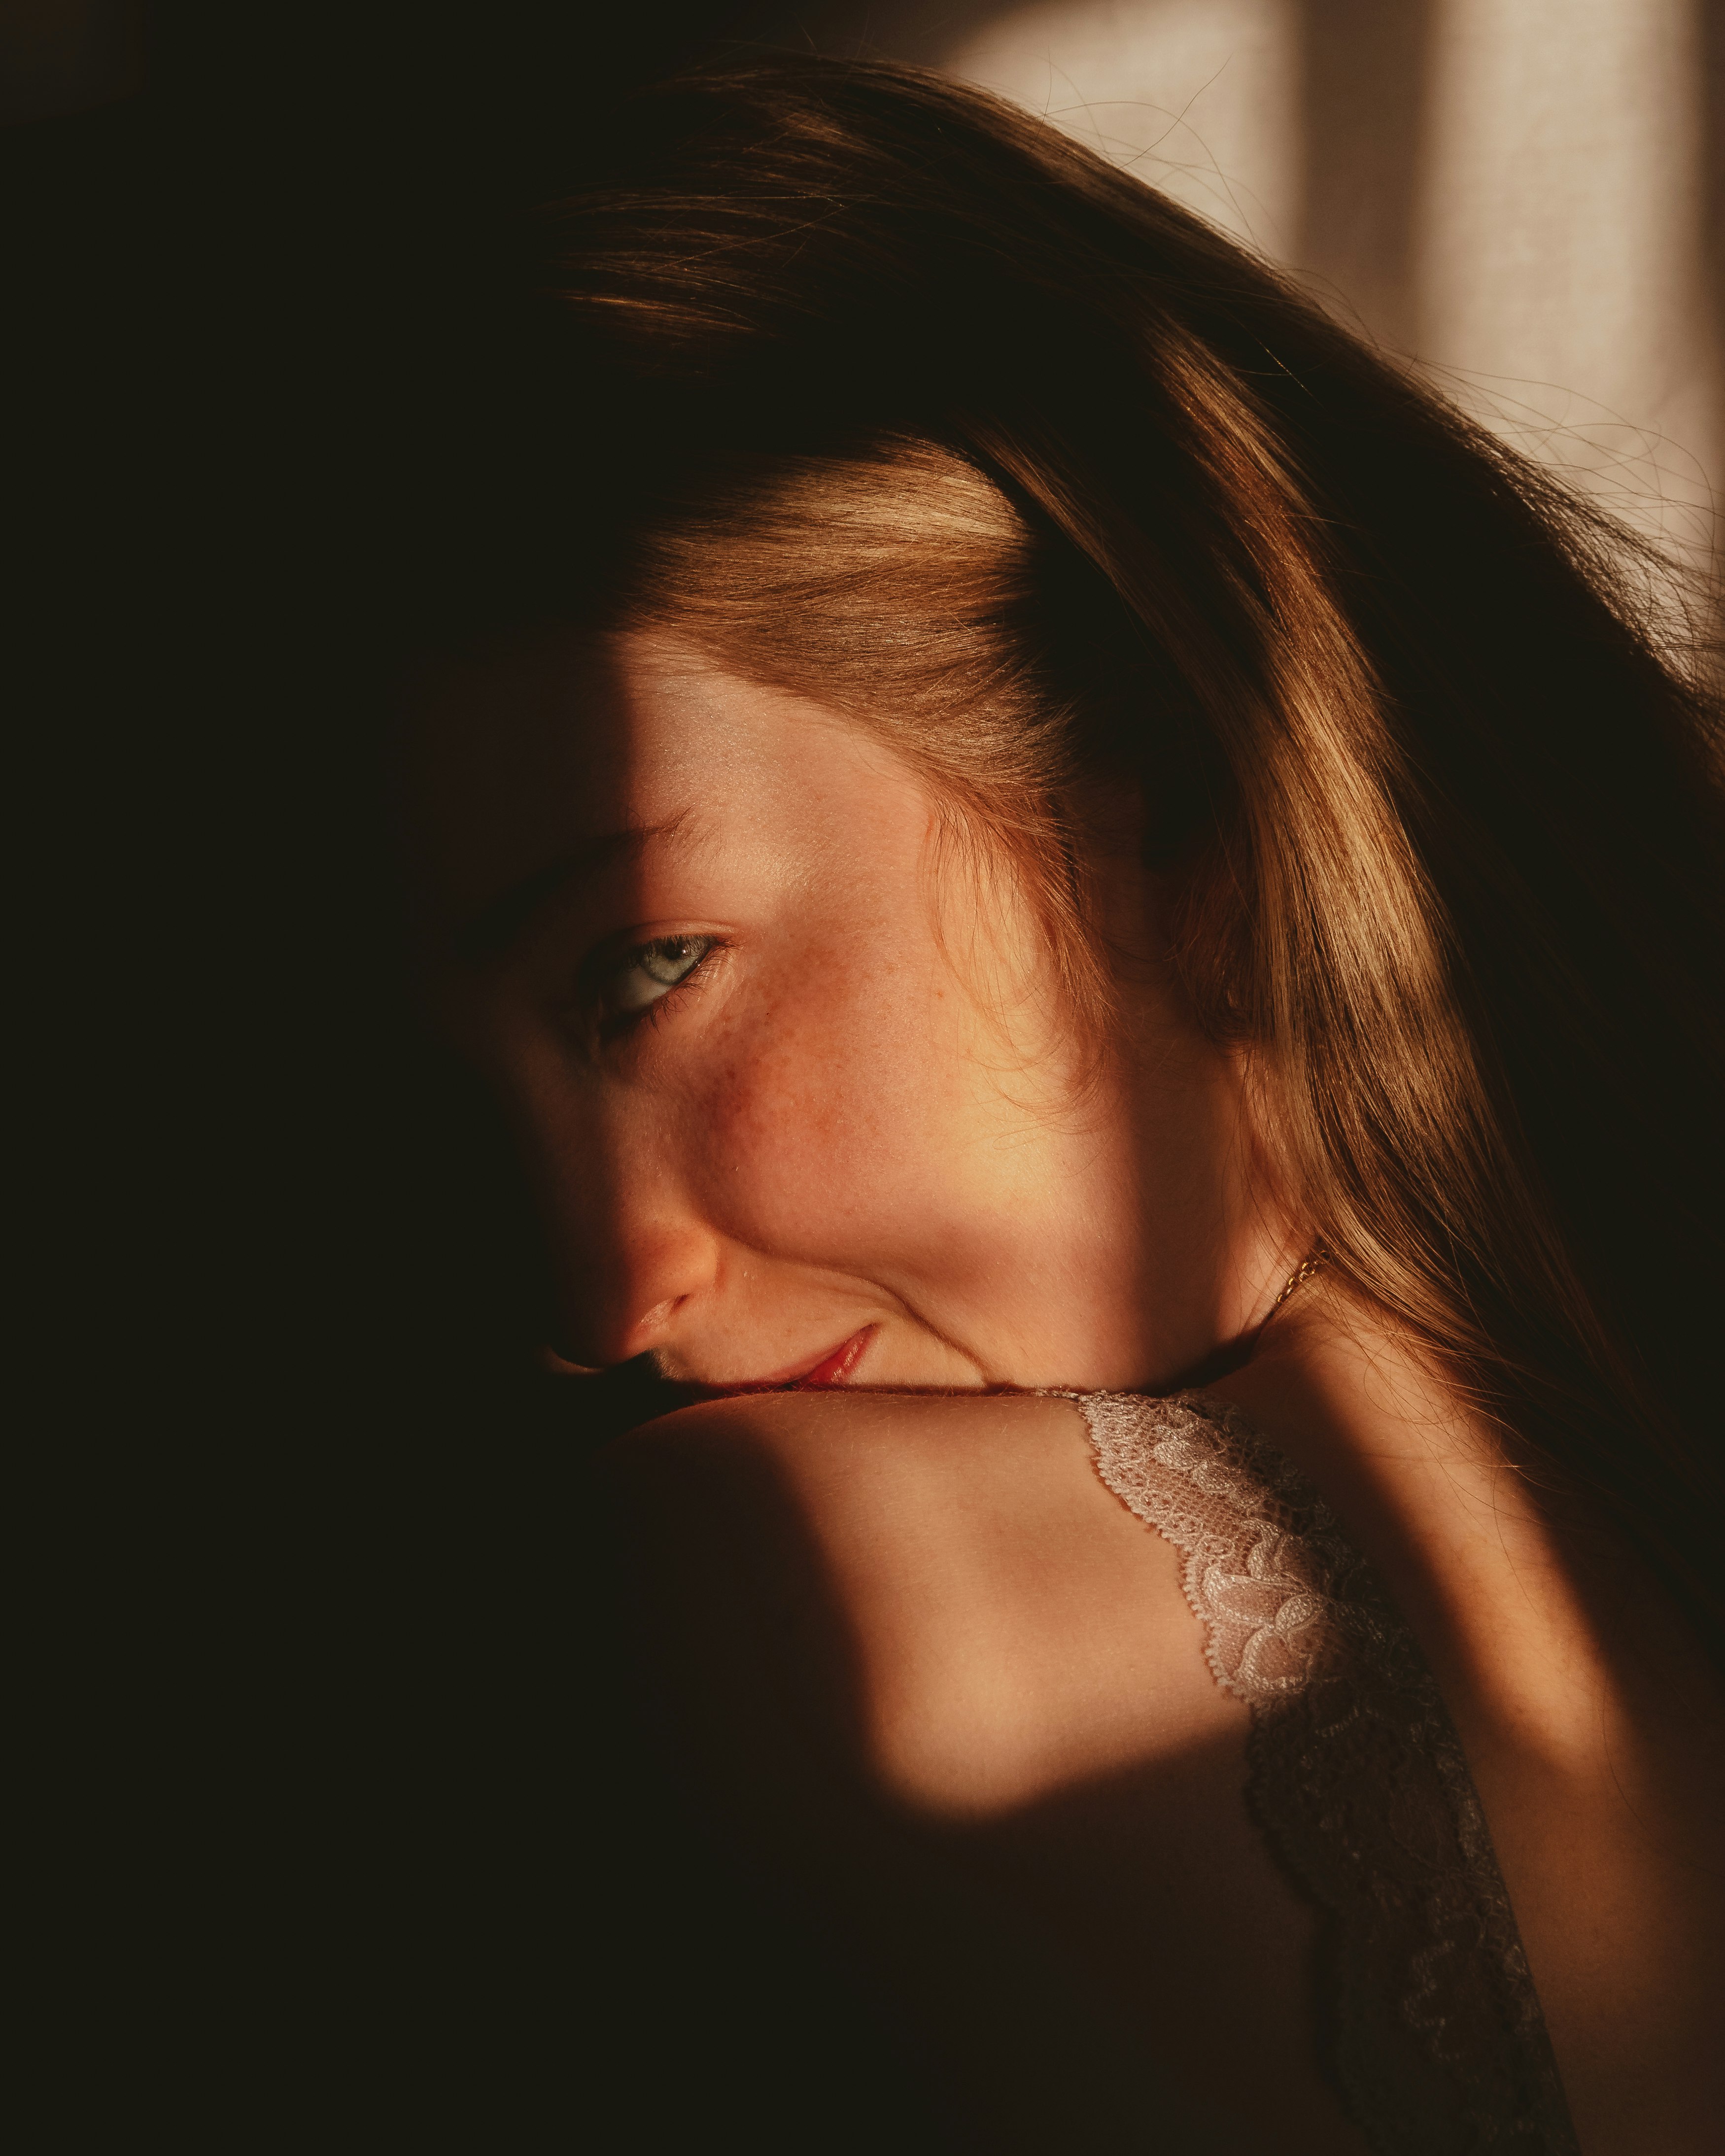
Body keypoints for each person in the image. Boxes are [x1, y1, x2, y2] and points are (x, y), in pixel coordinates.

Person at [398, 52, 1725, 2154]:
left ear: (1170, 789)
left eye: (644, 968)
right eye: (412, 1108)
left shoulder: (794, 1591)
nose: (595, 1285)